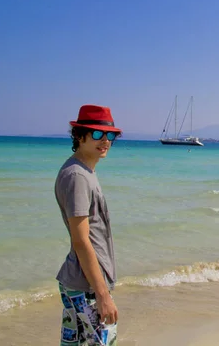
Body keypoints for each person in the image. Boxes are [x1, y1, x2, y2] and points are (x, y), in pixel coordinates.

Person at [55, 105, 121, 346]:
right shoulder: (77, 176)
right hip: (86, 287)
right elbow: (81, 240)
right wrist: (103, 295)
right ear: (79, 135)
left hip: (84, 282)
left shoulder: (85, 171)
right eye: (96, 134)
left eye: (110, 135)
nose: (105, 140)